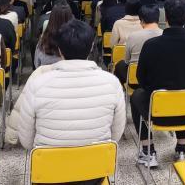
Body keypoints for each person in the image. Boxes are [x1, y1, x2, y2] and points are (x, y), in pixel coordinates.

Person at [19, 20, 125, 161]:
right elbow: (116, 133)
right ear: (91, 47)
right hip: (96, 165)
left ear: (59, 50)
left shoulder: (37, 84)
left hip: (50, 167)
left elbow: (26, 140)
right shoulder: (112, 83)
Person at [131, 0, 185, 166]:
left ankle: (148, 151)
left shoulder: (151, 45)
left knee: (136, 95)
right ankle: (182, 148)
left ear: (165, 19)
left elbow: (141, 78)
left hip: (158, 113)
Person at [114, 4, 163, 85]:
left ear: (142, 20)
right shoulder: (164, 34)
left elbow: (127, 60)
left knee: (119, 65)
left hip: (134, 80)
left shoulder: (133, 36)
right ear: (158, 19)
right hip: (157, 80)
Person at [34, 0, 73, 68]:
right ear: (71, 18)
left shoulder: (43, 42)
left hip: (46, 73)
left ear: (51, 18)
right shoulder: (76, 41)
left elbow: (37, 64)